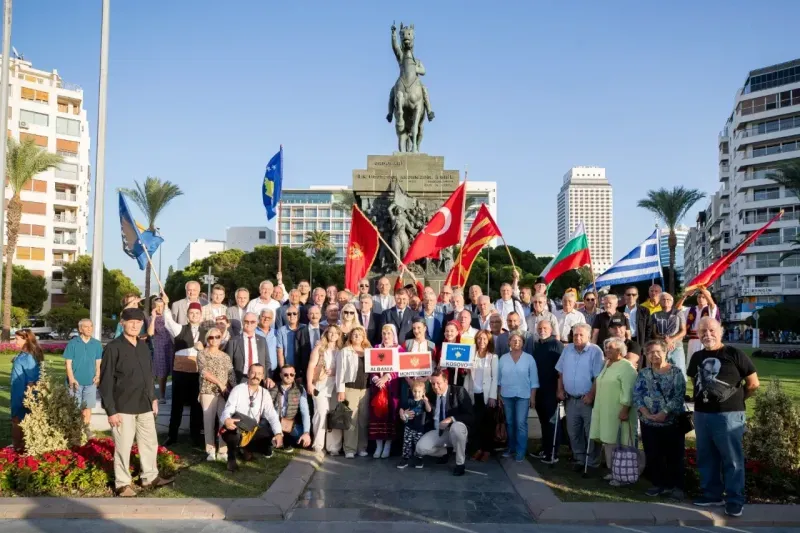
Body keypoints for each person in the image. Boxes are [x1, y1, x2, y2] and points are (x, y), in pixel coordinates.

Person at [687, 317, 759, 517]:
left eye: (711, 330)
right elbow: (696, 382)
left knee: (732, 459)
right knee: (706, 456)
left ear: (720, 331)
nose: (707, 334)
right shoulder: (697, 357)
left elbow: (753, 383)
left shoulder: (734, 354)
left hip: (729, 416)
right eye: (702, 331)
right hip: (702, 415)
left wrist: (736, 400)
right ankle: (712, 494)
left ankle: (735, 499)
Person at [99, 308, 173, 496]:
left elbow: (148, 376)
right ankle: (122, 483)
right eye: (130, 322)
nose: (134, 325)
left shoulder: (143, 346)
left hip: (145, 405)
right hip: (122, 407)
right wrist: (111, 410)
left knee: (149, 443)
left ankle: (149, 477)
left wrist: (153, 398)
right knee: (123, 447)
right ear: (122, 323)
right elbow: (105, 381)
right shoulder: (113, 348)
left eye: (138, 322)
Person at [633, 339, 687, 499]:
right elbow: (637, 395)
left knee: (674, 455)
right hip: (648, 422)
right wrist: (647, 414)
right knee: (653, 454)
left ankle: (676, 486)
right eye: (650, 352)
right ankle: (658, 484)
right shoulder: (644, 373)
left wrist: (664, 412)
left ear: (665, 352)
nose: (654, 355)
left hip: (671, 422)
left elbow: (679, 396)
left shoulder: (675, 372)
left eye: (658, 351)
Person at [589, 338, 639, 485]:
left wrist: (625, 409)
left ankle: (624, 476)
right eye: (606, 348)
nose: (607, 350)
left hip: (619, 413)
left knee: (622, 442)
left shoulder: (626, 367)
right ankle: (614, 471)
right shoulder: (608, 364)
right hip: (605, 411)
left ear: (620, 351)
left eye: (611, 348)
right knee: (609, 441)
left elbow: (629, 391)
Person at [556, 323, 605, 471]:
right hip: (570, 399)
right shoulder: (568, 349)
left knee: (590, 432)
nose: (577, 337)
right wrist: (560, 389)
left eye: (581, 335)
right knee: (573, 431)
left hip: (587, 399)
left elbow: (598, 377)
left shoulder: (595, 351)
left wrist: (591, 395)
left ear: (588, 336)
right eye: (575, 334)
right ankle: (579, 459)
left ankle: (592, 462)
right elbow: (560, 372)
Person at [220, 364, 283, 472]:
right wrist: (226, 420)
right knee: (232, 434)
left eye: (259, 373)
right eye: (253, 372)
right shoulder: (238, 389)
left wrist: (278, 433)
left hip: (252, 428)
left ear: (263, 376)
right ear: (248, 374)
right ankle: (231, 458)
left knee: (268, 436)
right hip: (236, 426)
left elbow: (272, 414)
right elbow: (228, 408)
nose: (256, 376)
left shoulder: (265, 393)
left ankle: (247, 449)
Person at [160, 293, 203, 447]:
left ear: (201, 315)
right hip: (180, 373)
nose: (194, 315)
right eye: (192, 313)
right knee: (176, 405)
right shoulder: (180, 329)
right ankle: (172, 435)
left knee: (196, 406)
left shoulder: (206, 333)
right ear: (187, 314)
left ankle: (195, 436)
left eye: (197, 313)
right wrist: (166, 305)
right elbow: (169, 321)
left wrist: (202, 348)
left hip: (197, 374)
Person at [415, 368, 474, 476]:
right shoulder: (431, 394)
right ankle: (446, 452)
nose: (435, 387)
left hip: (455, 431)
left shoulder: (459, 391)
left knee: (457, 427)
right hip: (439, 431)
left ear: (446, 381)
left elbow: (470, 416)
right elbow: (428, 413)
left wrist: (451, 418)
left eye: (438, 383)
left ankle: (460, 463)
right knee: (420, 448)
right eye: (433, 384)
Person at [498, 332, 539, 462]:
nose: (516, 342)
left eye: (519, 340)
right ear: (509, 342)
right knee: (510, 423)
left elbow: (534, 380)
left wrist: (532, 397)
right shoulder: (503, 358)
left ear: (523, 343)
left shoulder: (529, 358)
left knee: (520, 423)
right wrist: (498, 395)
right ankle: (511, 448)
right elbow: (499, 379)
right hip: (506, 395)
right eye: (514, 340)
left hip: (523, 395)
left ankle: (520, 451)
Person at [197, 327, 234, 461]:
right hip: (208, 391)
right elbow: (204, 372)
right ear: (207, 339)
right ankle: (210, 451)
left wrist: (233, 391)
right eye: (211, 337)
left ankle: (223, 451)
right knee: (208, 420)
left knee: (223, 420)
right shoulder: (202, 354)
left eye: (217, 337)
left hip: (223, 393)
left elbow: (231, 374)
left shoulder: (225, 356)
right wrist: (220, 383)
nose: (214, 340)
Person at [530, 320, 564, 464]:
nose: (542, 330)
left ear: (550, 330)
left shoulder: (557, 345)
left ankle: (553, 453)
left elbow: (561, 370)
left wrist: (559, 389)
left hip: (552, 389)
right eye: (539, 328)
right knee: (543, 421)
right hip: (539, 390)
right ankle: (545, 449)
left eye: (545, 328)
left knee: (551, 422)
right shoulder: (537, 346)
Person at [307, 325, 343, 457]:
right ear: (326, 334)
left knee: (334, 415)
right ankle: (318, 445)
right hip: (320, 386)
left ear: (339, 335)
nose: (333, 335)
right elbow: (311, 366)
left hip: (336, 387)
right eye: (330, 332)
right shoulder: (319, 348)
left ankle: (333, 447)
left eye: (336, 333)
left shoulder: (341, 350)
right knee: (321, 413)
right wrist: (310, 383)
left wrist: (335, 372)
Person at [336, 326, 372, 458]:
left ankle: (362, 447)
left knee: (363, 419)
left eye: (360, 334)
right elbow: (340, 372)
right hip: (350, 388)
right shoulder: (345, 351)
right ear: (350, 337)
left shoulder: (369, 351)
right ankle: (349, 448)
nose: (357, 336)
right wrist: (341, 390)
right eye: (354, 334)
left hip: (366, 389)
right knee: (351, 419)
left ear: (364, 337)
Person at [63, 318, 103, 436]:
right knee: (75, 407)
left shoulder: (96, 344)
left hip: (90, 382)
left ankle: (85, 429)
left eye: (91, 326)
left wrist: (98, 375)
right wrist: (71, 378)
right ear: (80, 329)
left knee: (87, 407)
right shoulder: (73, 343)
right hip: (75, 382)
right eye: (86, 326)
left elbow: (98, 362)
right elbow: (68, 363)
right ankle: (75, 430)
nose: (89, 328)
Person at [369, 324, 404, 458]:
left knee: (391, 415)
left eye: (389, 333)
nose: (386, 336)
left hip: (392, 387)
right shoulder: (376, 348)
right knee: (377, 416)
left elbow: (400, 368)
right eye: (384, 333)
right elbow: (371, 367)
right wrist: (376, 379)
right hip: (378, 387)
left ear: (393, 334)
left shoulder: (399, 349)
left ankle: (388, 445)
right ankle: (378, 446)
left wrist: (387, 377)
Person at [464, 330, 498, 462]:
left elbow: (495, 378)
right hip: (473, 393)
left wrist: (493, 396)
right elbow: (466, 375)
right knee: (476, 423)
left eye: (484, 339)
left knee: (488, 424)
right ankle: (477, 449)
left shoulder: (493, 357)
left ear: (489, 341)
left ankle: (487, 450)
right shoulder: (471, 355)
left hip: (487, 395)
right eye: (479, 339)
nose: (481, 341)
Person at [10, 329, 42, 451]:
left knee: (17, 419)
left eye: (17, 339)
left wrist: (28, 398)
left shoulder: (28, 357)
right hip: (17, 391)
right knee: (18, 419)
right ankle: (19, 446)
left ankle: (18, 447)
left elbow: (32, 380)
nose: (14, 341)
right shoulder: (23, 354)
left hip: (22, 394)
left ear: (26, 339)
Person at [267, 364, 312, 452]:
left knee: (303, 442)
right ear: (280, 375)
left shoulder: (300, 389)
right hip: (275, 422)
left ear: (295, 375)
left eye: (291, 374)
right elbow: (268, 409)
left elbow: (305, 412)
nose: (289, 377)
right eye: (285, 374)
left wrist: (306, 433)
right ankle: (278, 439)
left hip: (291, 423)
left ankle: (283, 440)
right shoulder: (274, 388)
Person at [225, 311, 272, 386]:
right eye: (246, 321)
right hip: (240, 380)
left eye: (252, 322)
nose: (249, 324)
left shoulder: (262, 340)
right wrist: (232, 382)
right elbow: (228, 364)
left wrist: (268, 377)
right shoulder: (233, 341)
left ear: (256, 323)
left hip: (259, 380)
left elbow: (267, 362)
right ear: (242, 323)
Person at [649, 292, 688, 378]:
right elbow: (654, 333)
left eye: (668, 299)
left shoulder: (678, 313)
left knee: (680, 373)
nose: (666, 301)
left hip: (676, 347)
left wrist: (671, 340)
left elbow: (683, 331)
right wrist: (665, 340)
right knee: (661, 373)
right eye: (663, 299)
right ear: (659, 302)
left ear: (672, 302)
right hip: (661, 349)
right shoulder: (654, 315)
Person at [397, 380, 431, 469]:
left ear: (423, 392)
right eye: (415, 391)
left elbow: (429, 410)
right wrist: (402, 414)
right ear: (412, 391)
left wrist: (426, 401)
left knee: (418, 444)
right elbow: (401, 408)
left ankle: (418, 459)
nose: (417, 394)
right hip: (409, 426)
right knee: (406, 444)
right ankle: (405, 459)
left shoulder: (423, 402)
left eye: (419, 391)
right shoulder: (409, 400)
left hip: (419, 427)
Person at [682, 288, 721, 363]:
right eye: (699, 297)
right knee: (692, 361)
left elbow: (712, 305)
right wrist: (685, 295)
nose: (701, 299)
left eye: (704, 297)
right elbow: (678, 309)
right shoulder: (691, 309)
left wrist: (702, 289)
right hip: (693, 339)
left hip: (706, 339)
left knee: (705, 361)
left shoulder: (710, 309)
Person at [147, 296, 174, 403]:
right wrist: (153, 318)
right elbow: (150, 333)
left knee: (175, 371)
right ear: (153, 307)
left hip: (172, 345)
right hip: (160, 347)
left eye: (161, 306)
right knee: (162, 373)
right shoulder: (151, 318)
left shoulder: (169, 315)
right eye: (157, 306)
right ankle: (162, 396)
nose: (159, 308)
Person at [276, 305, 305, 370]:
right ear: (286, 316)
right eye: (289, 314)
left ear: (299, 315)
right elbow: (280, 352)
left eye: (294, 313)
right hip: (288, 367)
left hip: (303, 367)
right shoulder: (281, 330)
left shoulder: (305, 328)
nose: (292, 316)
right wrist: (282, 369)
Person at [255, 309, 279, 375]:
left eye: (269, 318)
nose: (266, 319)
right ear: (259, 317)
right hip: (257, 371)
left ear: (272, 320)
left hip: (273, 371)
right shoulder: (253, 332)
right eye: (263, 316)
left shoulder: (276, 333)